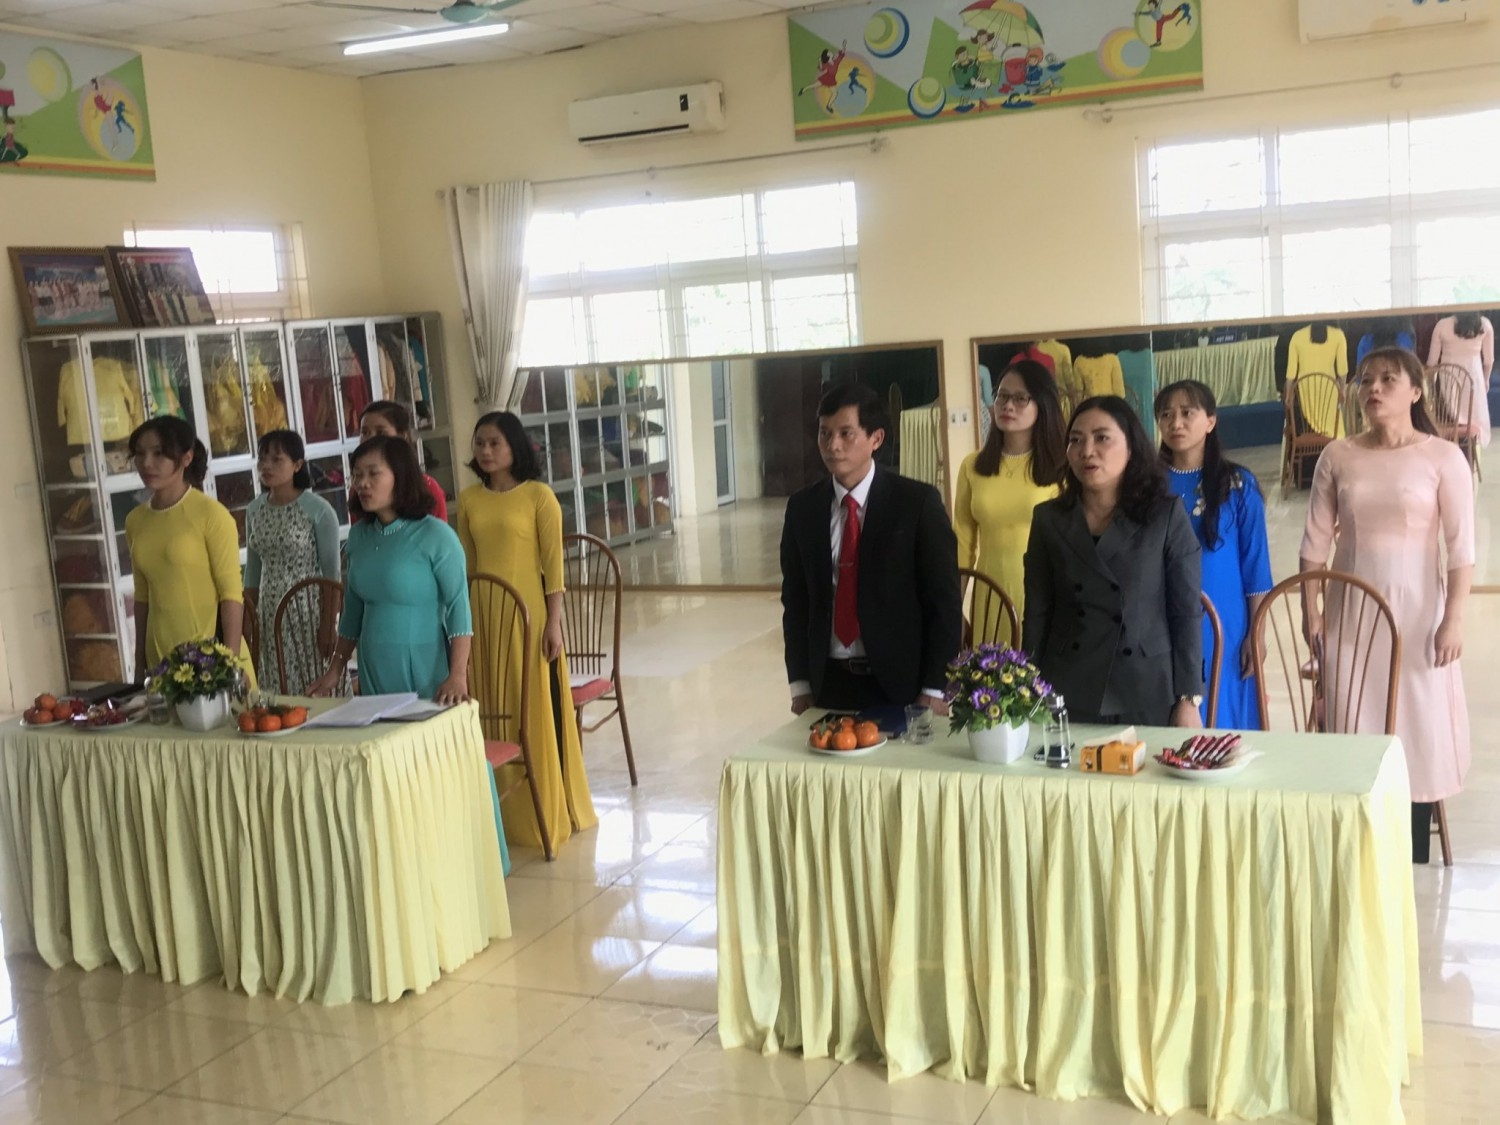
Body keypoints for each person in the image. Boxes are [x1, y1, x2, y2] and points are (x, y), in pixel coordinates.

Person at [1300, 347, 1474, 864]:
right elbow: (1313, 545)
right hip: (1351, 608)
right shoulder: (1337, 456)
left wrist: (1453, 619)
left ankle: (1412, 846)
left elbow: (1461, 549)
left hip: (1418, 610)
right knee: (1353, 712)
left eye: (1388, 380)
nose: (1373, 389)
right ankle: (1355, 839)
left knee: (1415, 718)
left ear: (1415, 391)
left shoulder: (1442, 457)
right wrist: (1311, 613)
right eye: (1366, 380)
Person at [457, 411, 597, 854]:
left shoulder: (539, 497)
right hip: (483, 616)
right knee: (493, 705)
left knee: (532, 707)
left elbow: (553, 568)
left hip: (529, 616)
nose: (485, 451)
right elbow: (466, 567)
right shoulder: (469, 500)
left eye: (494, 443)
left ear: (514, 447)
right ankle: (502, 817)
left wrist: (554, 622)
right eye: (480, 443)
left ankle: (546, 809)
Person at [781, 383, 961, 714]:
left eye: (846, 434)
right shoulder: (802, 509)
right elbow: (796, 603)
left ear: (876, 439)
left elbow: (944, 605)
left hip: (901, 683)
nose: (832, 445)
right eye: (824, 433)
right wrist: (800, 684)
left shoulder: (916, 504)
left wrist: (936, 688)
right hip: (828, 682)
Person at [1023, 396, 1202, 727]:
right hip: (1069, 683)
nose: (1086, 451)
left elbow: (1186, 612)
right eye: (1076, 440)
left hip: (1146, 686)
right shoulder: (1049, 519)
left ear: (1131, 447)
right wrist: (1029, 686)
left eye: (1102, 438)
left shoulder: (1164, 515)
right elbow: (1037, 612)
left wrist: (1189, 698)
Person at [308, 435, 469, 704]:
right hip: (373, 667)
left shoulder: (436, 535)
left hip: (425, 669)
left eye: (373, 474)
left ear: (401, 477)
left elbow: (459, 606)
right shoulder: (358, 536)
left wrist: (458, 675)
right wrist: (335, 670)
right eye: (357, 475)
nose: (362, 483)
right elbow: (352, 611)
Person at [1156, 380, 1273, 729]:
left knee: (1223, 713)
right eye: (1166, 415)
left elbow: (1256, 568)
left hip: (1224, 621)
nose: (1176, 423)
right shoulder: (1146, 485)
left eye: (1186, 413)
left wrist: (1257, 632)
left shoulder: (1238, 484)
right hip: (1161, 619)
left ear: (1210, 421)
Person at [124, 416, 254, 686]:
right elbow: (143, 597)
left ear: (186, 457)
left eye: (159, 453)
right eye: (140, 454)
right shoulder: (135, 521)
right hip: (161, 661)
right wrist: (139, 664)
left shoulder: (212, 515)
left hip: (210, 660)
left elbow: (231, 594)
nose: (146, 463)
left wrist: (229, 665)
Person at [953, 359, 1066, 641]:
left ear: (1042, 404)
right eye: (1002, 396)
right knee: (991, 667)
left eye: (1020, 398)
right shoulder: (973, 466)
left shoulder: (1061, 467)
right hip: (990, 591)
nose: (1007, 406)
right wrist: (954, 606)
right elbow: (963, 544)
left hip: (1045, 592)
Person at [243, 429, 341, 694]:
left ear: (297, 465)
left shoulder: (319, 510)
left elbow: (332, 574)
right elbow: (252, 573)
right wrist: (247, 625)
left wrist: (328, 625)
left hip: (308, 612)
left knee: (313, 684)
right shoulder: (254, 510)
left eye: (277, 459)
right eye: (262, 459)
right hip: (268, 612)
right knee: (277, 688)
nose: (266, 466)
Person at [356, 400, 448, 520]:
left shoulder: (427, 488)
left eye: (381, 432)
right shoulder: (360, 488)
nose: (371, 439)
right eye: (365, 432)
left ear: (402, 436)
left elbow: (439, 530)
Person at [1427, 311, 1494, 447]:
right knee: (1473, 414)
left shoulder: (1442, 325)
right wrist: (1486, 380)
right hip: (1474, 378)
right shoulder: (1485, 324)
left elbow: (1432, 363)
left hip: (1448, 379)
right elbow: (1489, 361)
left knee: (1448, 414)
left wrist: (1430, 387)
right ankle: (1472, 446)